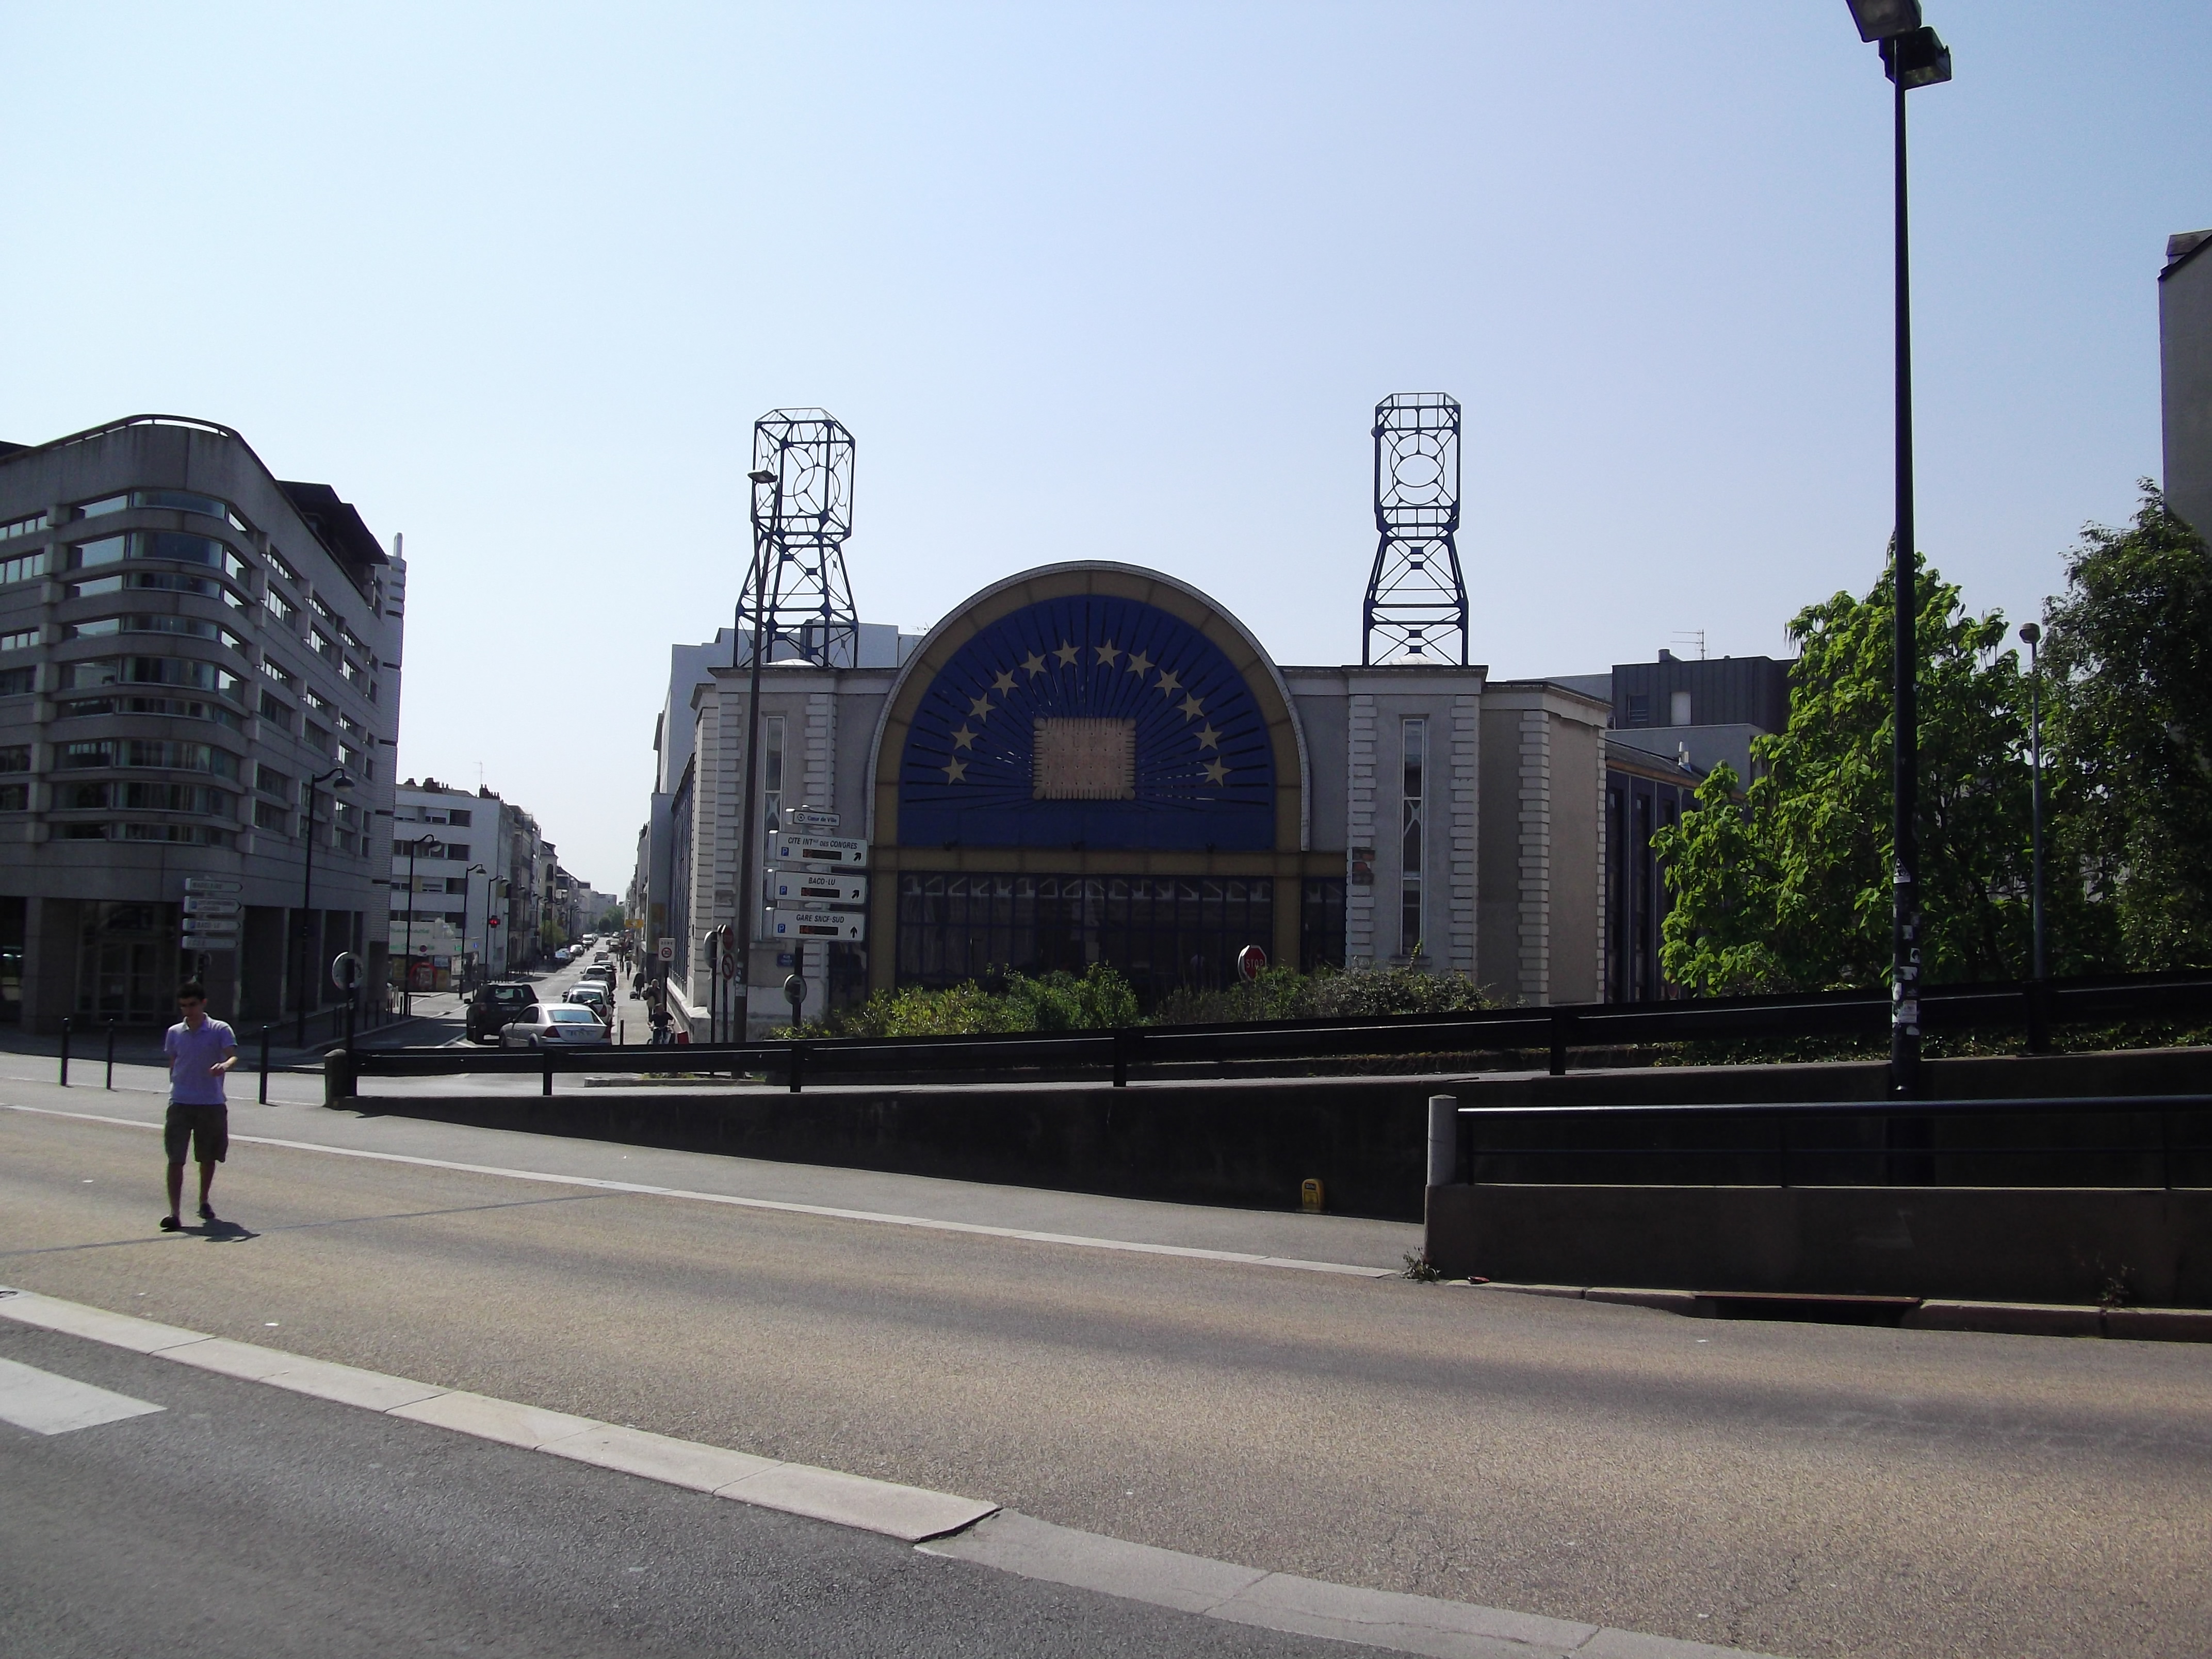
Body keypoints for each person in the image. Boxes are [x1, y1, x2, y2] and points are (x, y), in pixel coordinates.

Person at [160, 980, 237, 1231]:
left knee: (207, 1157)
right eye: (183, 1006)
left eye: (192, 1005)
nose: (188, 1011)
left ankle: (204, 1200)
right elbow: (174, 1060)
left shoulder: (219, 1029)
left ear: (203, 1004)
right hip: (180, 1102)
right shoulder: (174, 1032)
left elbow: (232, 1054)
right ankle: (174, 1213)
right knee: (175, 1158)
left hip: (210, 1103)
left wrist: (224, 1066)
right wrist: (174, 1084)